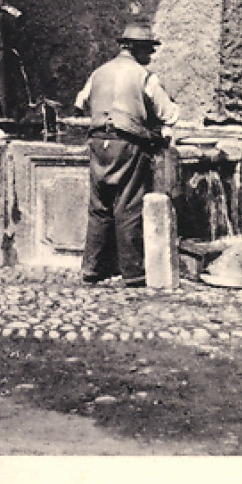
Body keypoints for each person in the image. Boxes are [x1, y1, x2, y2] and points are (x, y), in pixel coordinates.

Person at [74, 19, 180, 287]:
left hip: (98, 142)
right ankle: (133, 272)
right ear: (136, 49)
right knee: (128, 205)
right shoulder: (145, 77)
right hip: (127, 144)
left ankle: (92, 269)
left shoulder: (98, 72)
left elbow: (80, 103)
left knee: (99, 207)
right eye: (149, 49)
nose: (151, 55)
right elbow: (170, 114)